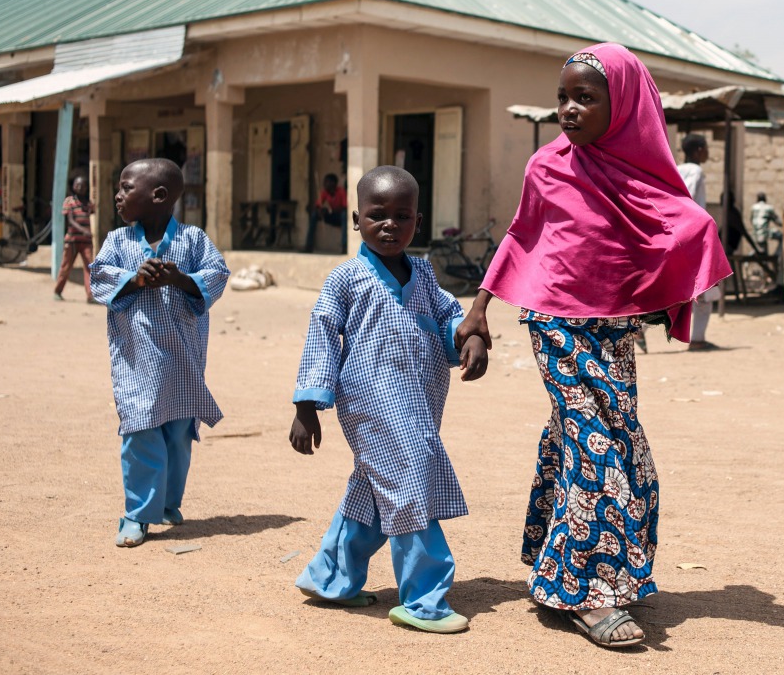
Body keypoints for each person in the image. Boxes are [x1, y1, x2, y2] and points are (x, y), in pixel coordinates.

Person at [454, 43, 731, 648]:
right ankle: (592, 596)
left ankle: (556, 573)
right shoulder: (547, 166)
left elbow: (679, 225)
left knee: (611, 448)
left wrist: (670, 280)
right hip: (554, 324)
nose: (569, 110)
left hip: (614, 332)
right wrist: (478, 309)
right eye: (563, 98)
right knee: (599, 451)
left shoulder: (642, 174)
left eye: (585, 98)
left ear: (624, 104)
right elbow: (521, 236)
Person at [288, 166, 488, 634]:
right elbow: (321, 336)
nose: (390, 225)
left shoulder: (422, 272)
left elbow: (448, 320)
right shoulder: (345, 278)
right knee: (411, 487)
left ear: (417, 221)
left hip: (418, 400)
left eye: (402, 216)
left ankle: (329, 578)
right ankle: (425, 600)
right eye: (378, 215)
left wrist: (468, 341)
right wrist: (306, 406)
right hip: (369, 403)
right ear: (357, 219)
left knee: (375, 493)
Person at [89, 158, 230, 547]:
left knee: (178, 436)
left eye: (125, 187)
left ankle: (167, 503)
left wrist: (181, 279)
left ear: (158, 196)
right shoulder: (117, 242)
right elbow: (99, 278)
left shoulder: (194, 239)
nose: (117, 195)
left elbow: (217, 275)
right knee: (140, 430)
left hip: (182, 362)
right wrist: (134, 279)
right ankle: (137, 513)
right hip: (137, 360)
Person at [675, 133, 721, 351]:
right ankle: (698, 339)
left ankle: (641, 330)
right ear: (699, 150)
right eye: (706, 148)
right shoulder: (695, 171)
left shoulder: (676, 169)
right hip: (695, 236)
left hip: (679, 234)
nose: (708, 152)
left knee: (681, 290)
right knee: (706, 287)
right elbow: (689, 198)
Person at [54, 174, 95, 303]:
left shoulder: (89, 204)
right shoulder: (69, 201)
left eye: (82, 185)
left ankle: (90, 295)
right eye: (77, 185)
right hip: (72, 241)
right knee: (66, 267)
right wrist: (83, 230)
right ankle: (57, 291)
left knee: (90, 267)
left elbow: (93, 217)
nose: (79, 187)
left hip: (86, 242)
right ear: (73, 186)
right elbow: (70, 220)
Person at [304, 173, 349, 253]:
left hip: (340, 217)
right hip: (331, 216)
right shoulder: (325, 192)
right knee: (314, 215)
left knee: (344, 215)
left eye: (326, 182)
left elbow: (344, 208)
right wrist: (319, 210)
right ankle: (308, 246)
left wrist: (329, 210)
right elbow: (318, 205)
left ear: (333, 183)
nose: (324, 184)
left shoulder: (341, 192)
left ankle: (344, 246)